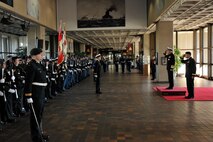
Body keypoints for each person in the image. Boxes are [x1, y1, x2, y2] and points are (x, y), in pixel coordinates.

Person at [24, 48, 49, 142]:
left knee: (40, 114)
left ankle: (40, 133)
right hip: (35, 94)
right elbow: (28, 82)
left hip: (41, 92)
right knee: (35, 116)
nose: (42, 55)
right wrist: (28, 96)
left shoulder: (39, 65)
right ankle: (36, 137)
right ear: (34, 55)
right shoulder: (31, 66)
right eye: (40, 54)